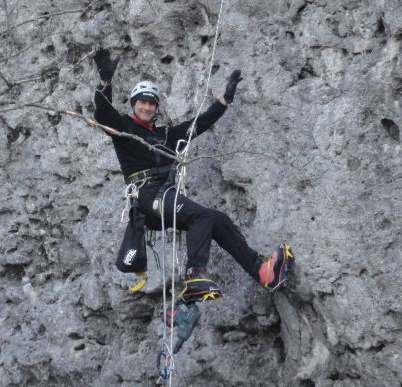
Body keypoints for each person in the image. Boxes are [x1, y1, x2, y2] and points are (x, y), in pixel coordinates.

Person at [92, 48, 293, 303]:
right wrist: (105, 82)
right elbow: (103, 114)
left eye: (151, 102)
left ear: (156, 108)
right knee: (202, 216)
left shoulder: (166, 136)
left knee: (217, 220)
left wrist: (225, 100)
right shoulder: (124, 126)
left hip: (164, 195)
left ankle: (263, 272)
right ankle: (194, 275)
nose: (146, 106)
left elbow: (200, 123)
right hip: (146, 196)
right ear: (134, 104)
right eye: (142, 101)